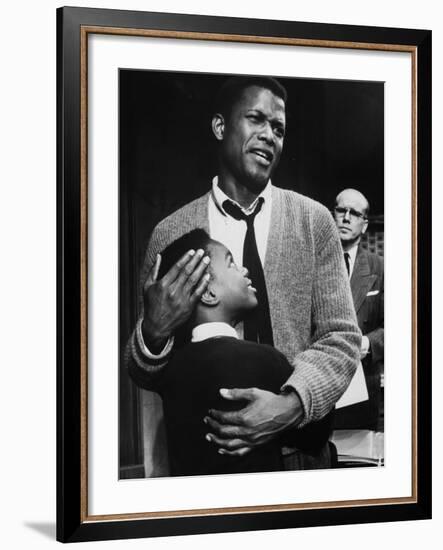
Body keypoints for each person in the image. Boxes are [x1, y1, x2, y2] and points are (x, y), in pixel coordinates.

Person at [126, 75, 361, 472]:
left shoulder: (315, 221)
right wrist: (153, 332)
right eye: (256, 119)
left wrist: (290, 405)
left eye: (279, 129)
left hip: (302, 456)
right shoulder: (172, 233)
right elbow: (143, 370)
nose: (270, 135)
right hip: (209, 461)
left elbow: (341, 339)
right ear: (220, 126)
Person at [155, 229, 333, 476]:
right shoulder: (265, 360)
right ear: (208, 294)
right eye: (231, 264)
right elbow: (317, 434)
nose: (244, 270)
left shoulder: (171, 368)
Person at [332, 189, 384, 431]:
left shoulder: (380, 268)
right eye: (341, 210)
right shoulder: (312, 261)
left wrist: (367, 344)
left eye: (354, 214)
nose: (346, 218)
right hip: (320, 383)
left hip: (362, 390)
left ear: (364, 225)